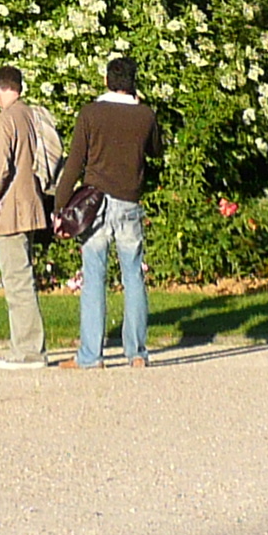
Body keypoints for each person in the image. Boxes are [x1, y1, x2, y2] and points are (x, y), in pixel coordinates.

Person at [56, 53, 165, 368]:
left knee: (94, 276)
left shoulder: (90, 113)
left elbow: (75, 162)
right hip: (129, 202)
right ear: (133, 83)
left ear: (107, 80)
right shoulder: (145, 115)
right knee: (133, 275)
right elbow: (156, 150)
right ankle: (137, 353)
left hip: (96, 203)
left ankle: (91, 355)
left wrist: (61, 205)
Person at [0, 64, 56, 369]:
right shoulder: (31, 115)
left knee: (18, 282)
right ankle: (29, 347)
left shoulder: (5, 120)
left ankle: (28, 351)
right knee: (24, 278)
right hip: (31, 204)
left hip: (10, 211)